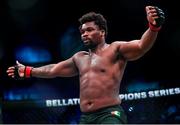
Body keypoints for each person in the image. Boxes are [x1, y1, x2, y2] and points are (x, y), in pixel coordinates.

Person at [7, 6, 165, 124]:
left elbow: (141, 46)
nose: (85, 34)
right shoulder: (79, 58)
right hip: (86, 117)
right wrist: (28, 70)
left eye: (89, 30)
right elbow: (53, 69)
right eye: (82, 32)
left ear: (102, 32)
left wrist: (153, 27)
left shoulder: (115, 49)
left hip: (109, 115)